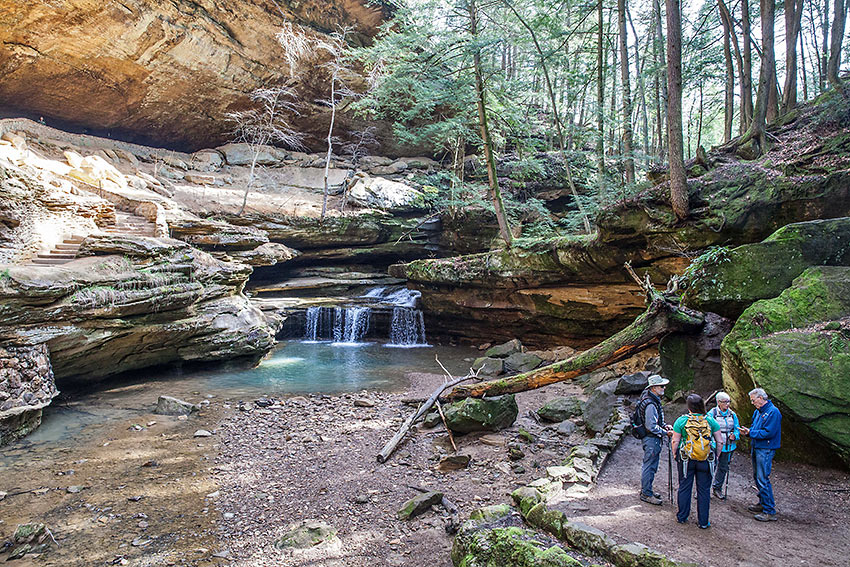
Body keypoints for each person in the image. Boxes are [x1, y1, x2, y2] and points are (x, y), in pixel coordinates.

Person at [671, 394, 723, 528]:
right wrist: (716, 456)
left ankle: (682, 516)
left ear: (689, 407)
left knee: (684, 487)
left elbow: (675, 440)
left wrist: (675, 454)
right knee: (704, 490)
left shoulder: (681, 421)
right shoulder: (711, 421)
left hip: (686, 459)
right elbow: (720, 441)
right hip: (706, 460)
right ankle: (703, 522)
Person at [739, 387, 782, 522]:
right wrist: (749, 431)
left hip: (766, 449)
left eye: (753, 400)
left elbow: (768, 432)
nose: (752, 403)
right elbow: (756, 428)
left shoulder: (773, 412)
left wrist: (750, 433)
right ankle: (763, 502)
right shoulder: (758, 412)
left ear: (761, 398)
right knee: (757, 477)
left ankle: (770, 511)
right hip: (757, 447)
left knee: (763, 477)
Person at [638, 375, 673, 505]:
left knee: (651, 465)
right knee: (650, 466)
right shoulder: (651, 404)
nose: (664, 388)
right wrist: (665, 432)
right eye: (661, 386)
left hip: (651, 438)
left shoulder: (650, 399)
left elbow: (655, 422)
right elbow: (651, 426)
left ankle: (647, 489)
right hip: (651, 440)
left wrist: (664, 425)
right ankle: (646, 493)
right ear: (653, 388)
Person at [707, 392, 739, 499]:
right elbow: (707, 429)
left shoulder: (732, 415)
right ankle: (704, 489)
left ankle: (717, 488)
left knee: (723, 467)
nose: (728, 404)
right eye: (725, 402)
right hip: (714, 445)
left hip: (729, 446)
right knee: (710, 467)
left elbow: (737, 428)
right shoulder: (712, 414)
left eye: (729, 401)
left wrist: (735, 435)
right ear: (718, 402)